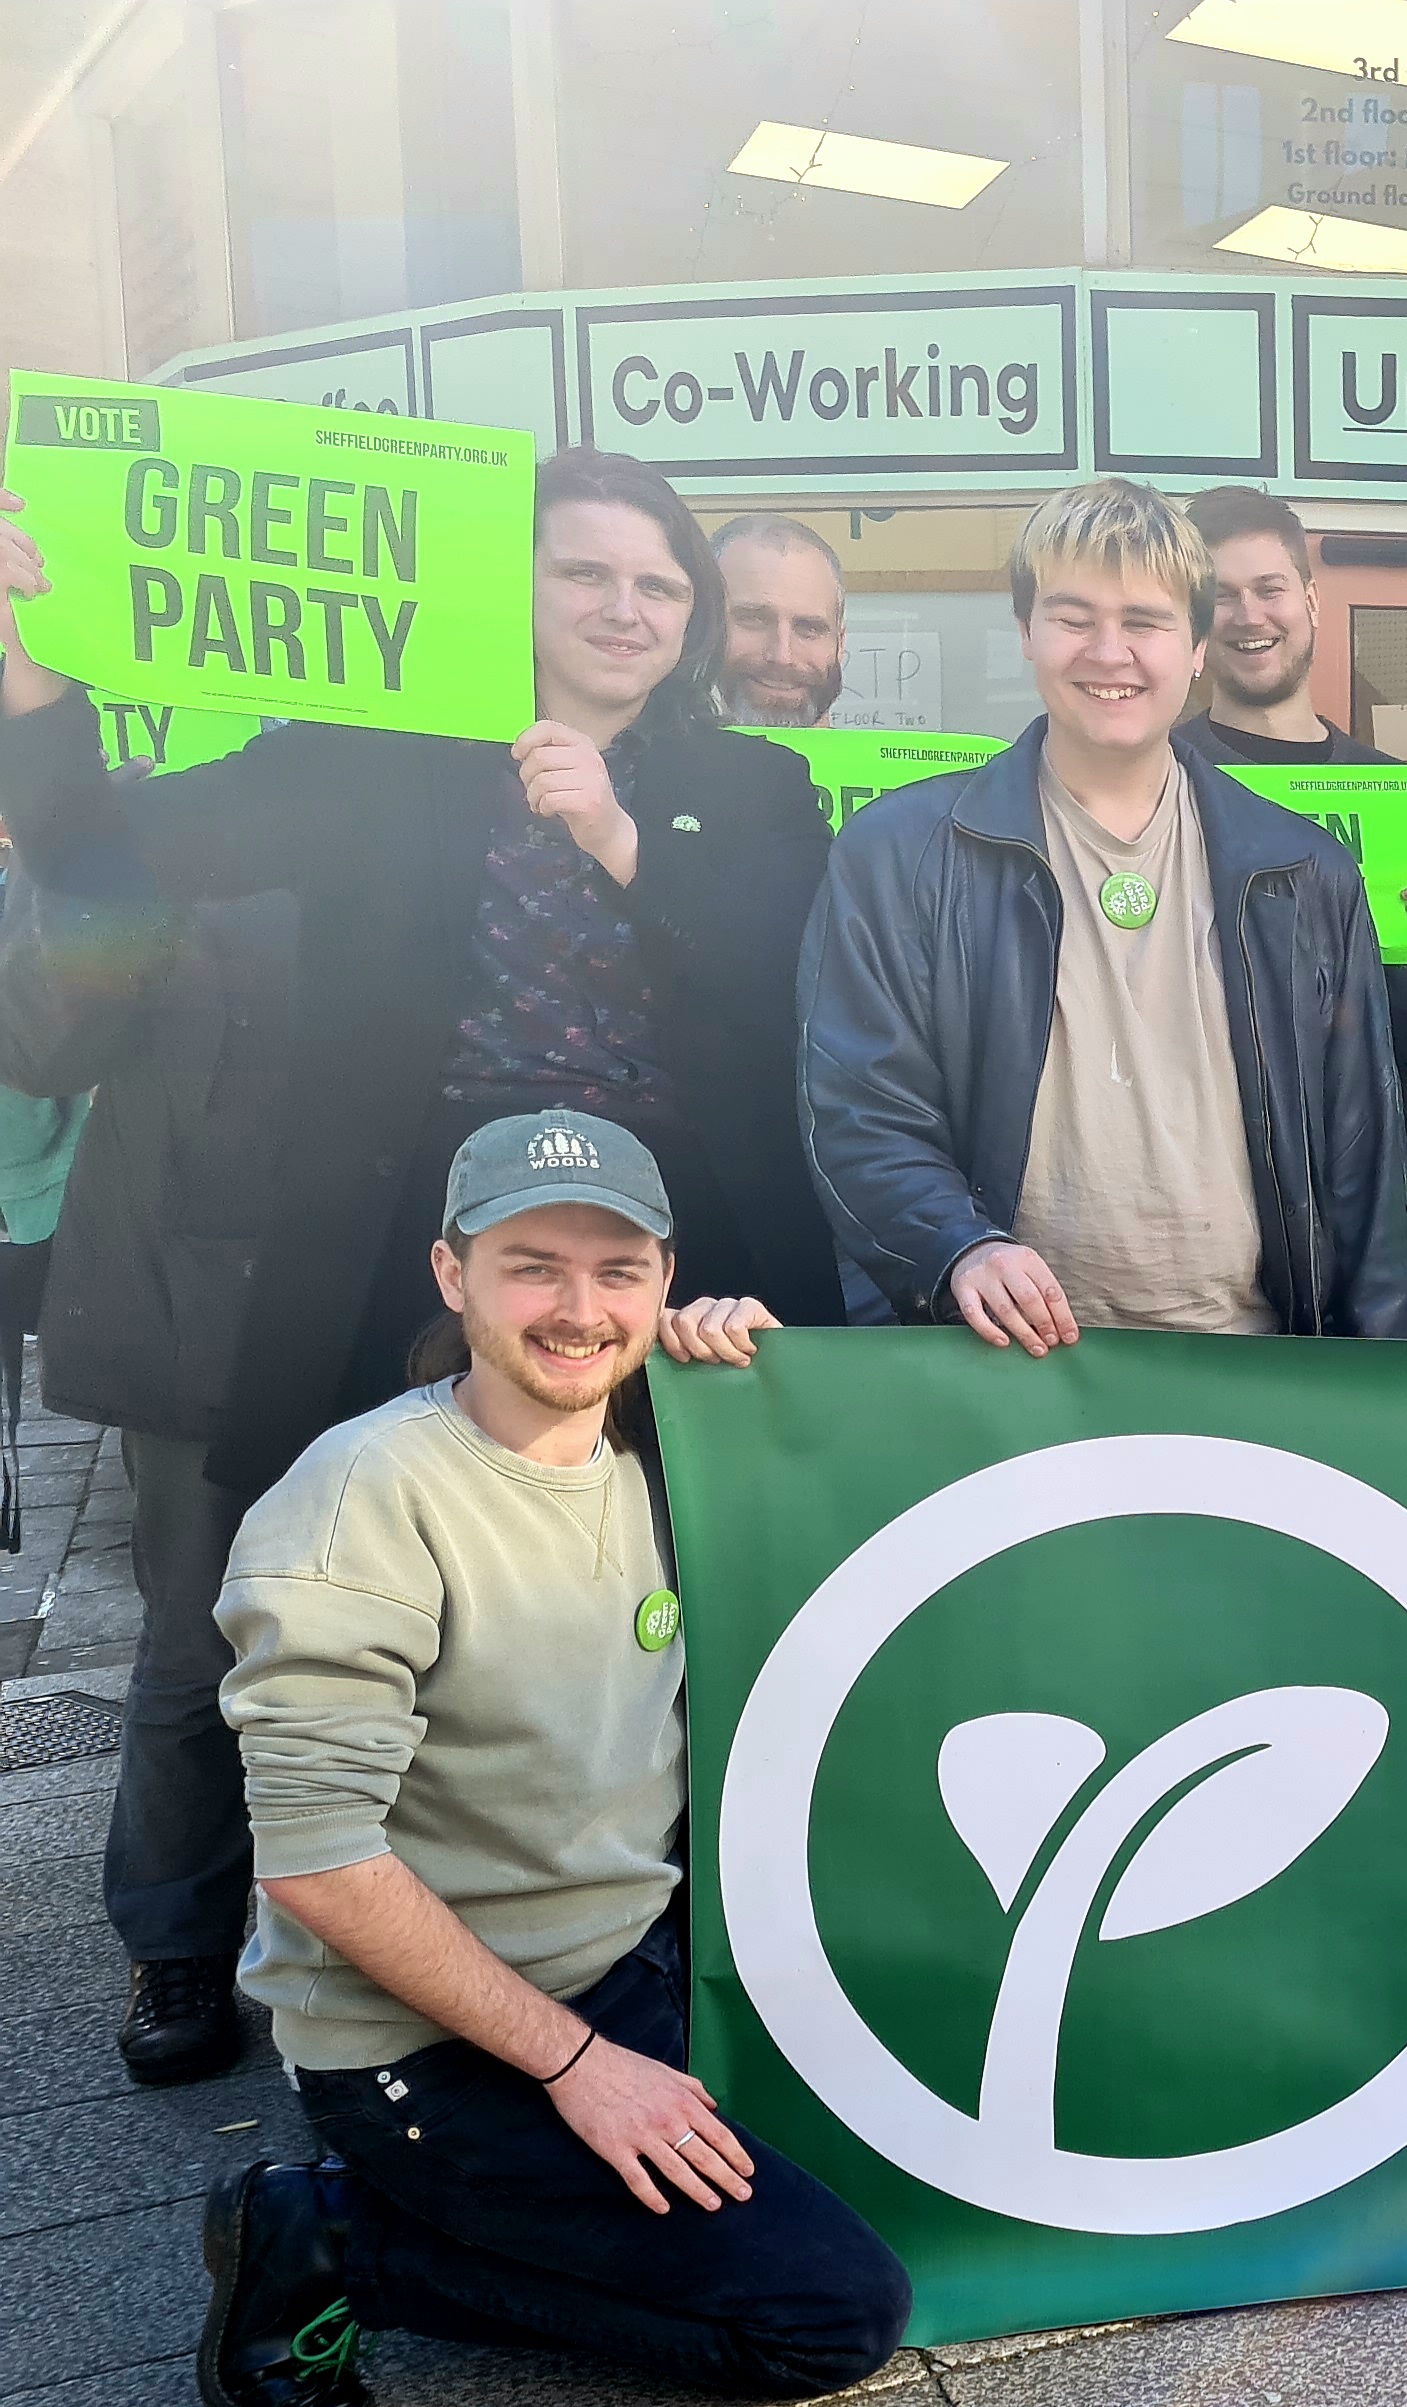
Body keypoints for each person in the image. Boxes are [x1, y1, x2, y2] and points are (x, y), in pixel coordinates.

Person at [194, 1112, 908, 2407]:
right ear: (451, 1272)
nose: (579, 1308)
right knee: (831, 2315)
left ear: (665, 1277)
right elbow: (317, 1860)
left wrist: (749, 1368)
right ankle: (339, 2240)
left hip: (631, 1954)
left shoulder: (669, 1442)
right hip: (424, 2036)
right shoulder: (361, 1495)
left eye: (619, 1268)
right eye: (534, 1263)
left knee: (904, 2155)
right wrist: (579, 2068)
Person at [0, 448, 848, 1504]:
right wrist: (28, 671)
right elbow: (107, 856)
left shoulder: (758, 783)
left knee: (687, 1581)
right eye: (584, 574)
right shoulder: (381, 760)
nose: (625, 609)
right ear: (514, 584)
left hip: (686, 1249)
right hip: (413, 1246)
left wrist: (621, 838)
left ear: (691, 618)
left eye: (661, 586)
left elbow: (793, 974)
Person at [799, 477, 1407, 1349]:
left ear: (1195, 645)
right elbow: (860, 1111)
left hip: (1253, 1362)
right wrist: (959, 1250)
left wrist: (1396, 1385)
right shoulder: (897, 854)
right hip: (1003, 1364)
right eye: (1074, 618)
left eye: (1144, 621)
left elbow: (1365, 1166)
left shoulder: (1304, 871)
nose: (1110, 653)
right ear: (1026, 631)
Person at [0, 801, 291, 2084]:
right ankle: (176, 1937)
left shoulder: (447, 791)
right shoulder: (170, 819)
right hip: (205, 1309)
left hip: (411, 1284)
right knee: (196, 1637)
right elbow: (52, 1043)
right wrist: (81, 854)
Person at [1179, 486, 1407, 1094]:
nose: (1249, 616)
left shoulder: (1400, 797)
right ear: (1195, 621)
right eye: (1222, 597)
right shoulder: (1158, 783)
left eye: (1270, 589)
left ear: (1311, 600)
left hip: (1371, 1171)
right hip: (1214, 1171)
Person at [707, 514, 848, 728]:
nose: (783, 656)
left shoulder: (893, 762)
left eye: (809, 628)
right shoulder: (654, 761)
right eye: (754, 620)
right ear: (703, 627)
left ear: (840, 643)